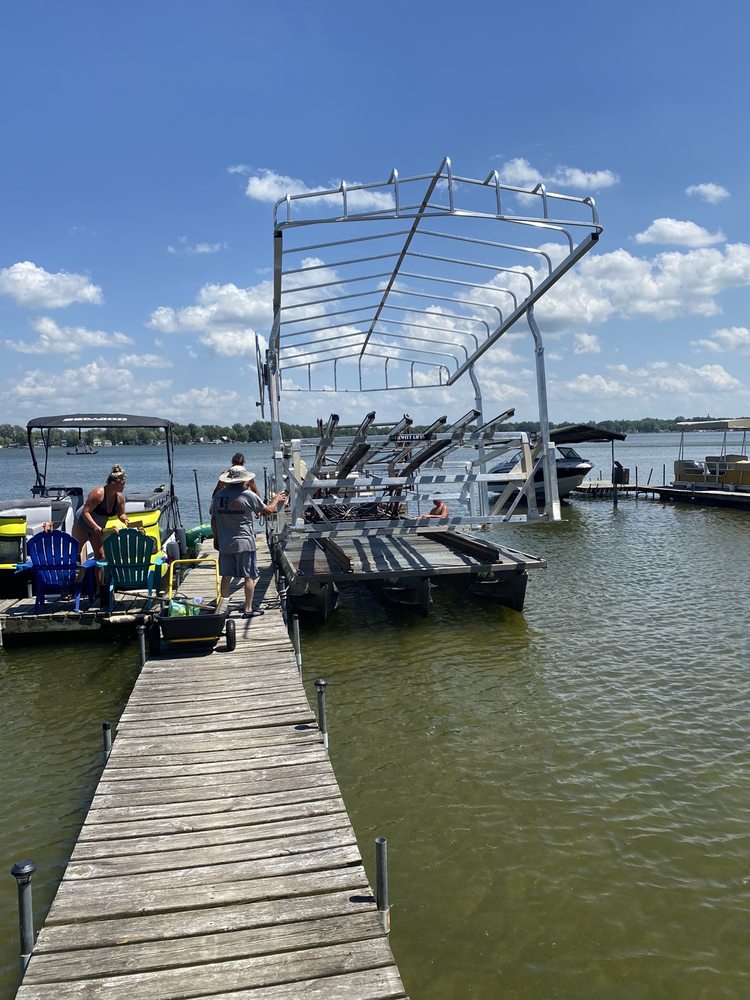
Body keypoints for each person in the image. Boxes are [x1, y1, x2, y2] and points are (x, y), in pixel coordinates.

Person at [210, 465, 286, 617]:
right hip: (244, 542)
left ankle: (223, 609)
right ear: (244, 480)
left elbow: (213, 519)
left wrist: (216, 539)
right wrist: (276, 499)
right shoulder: (248, 495)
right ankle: (248, 609)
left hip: (225, 543)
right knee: (248, 576)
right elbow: (267, 511)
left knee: (226, 576)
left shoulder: (218, 496)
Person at [72, 465, 129, 560]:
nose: (125, 486)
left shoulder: (120, 498)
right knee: (76, 552)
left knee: (101, 556)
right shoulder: (98, 493)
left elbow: (121, 514)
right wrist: (95, 526)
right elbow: (85, 512)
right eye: (122, 484)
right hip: (82, 523)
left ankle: (98, 575)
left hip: (98, 528)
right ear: (113, 483)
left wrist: (125, 519)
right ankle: (72, 573)